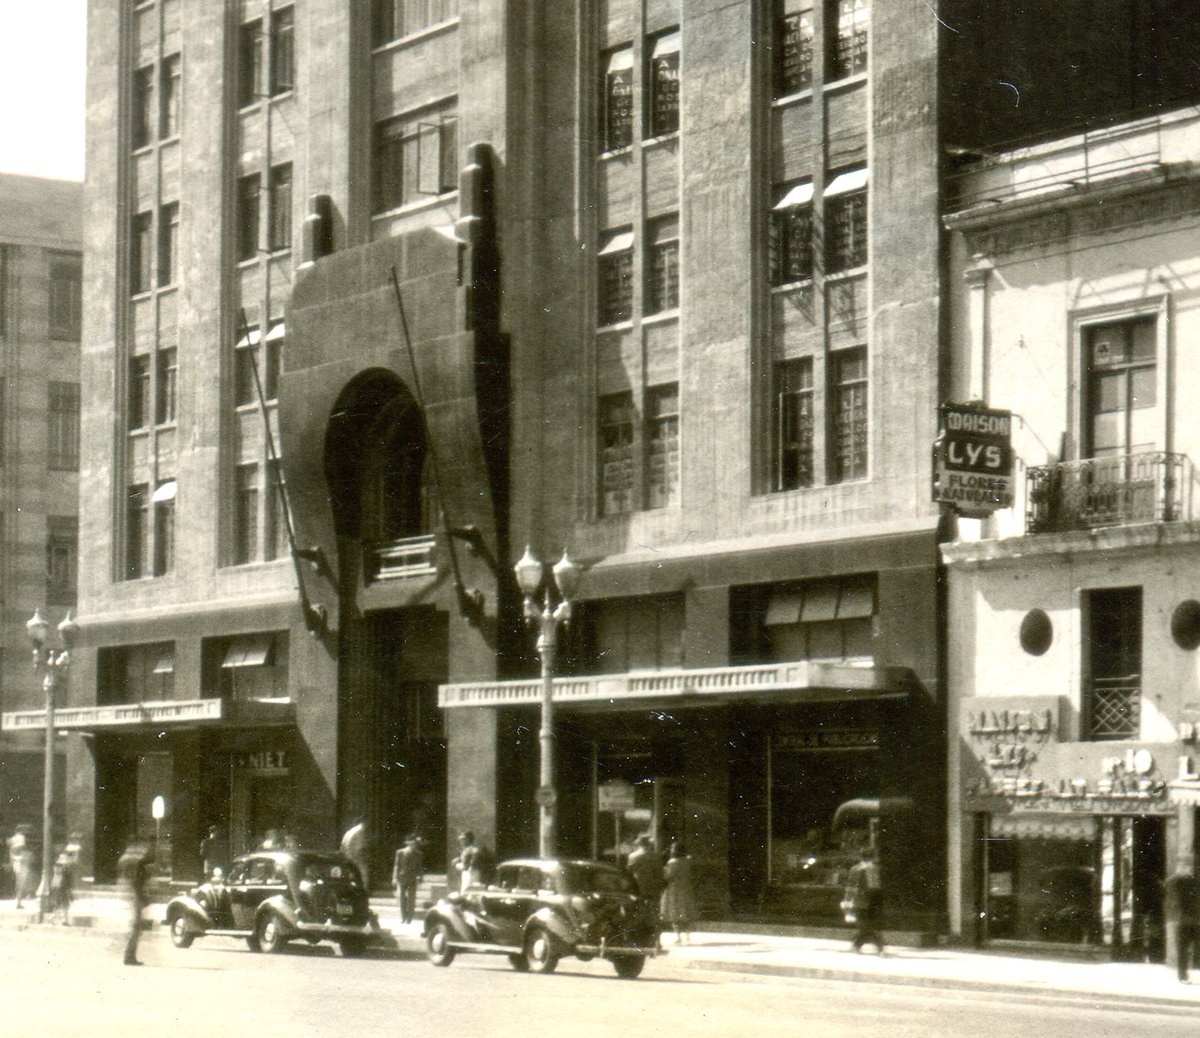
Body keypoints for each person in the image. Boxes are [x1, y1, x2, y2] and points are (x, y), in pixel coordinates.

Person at [118, 839, 155, 966]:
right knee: (136, 927)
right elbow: (137, 884)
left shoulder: (138, 864)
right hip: (137, 898)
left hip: (136, 897)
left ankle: (130, 955)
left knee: (136, 928)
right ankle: (129, 956)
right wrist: (143, 899)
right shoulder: (139, 865)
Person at [844, 848, 884, 954]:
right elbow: (877, 887)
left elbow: (851, 887)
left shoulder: (856, 869)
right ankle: (879, 947)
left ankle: (857, 945)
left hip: (860, 900)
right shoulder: (875, 869)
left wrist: (848, 900)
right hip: (872, 901)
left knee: (866, 925)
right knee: (868, 925)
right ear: (872, 857)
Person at [626, 835, 665, 947]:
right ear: (649, 844)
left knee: (636, 914)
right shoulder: (656, 856)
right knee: (655, 915)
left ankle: (635, 940)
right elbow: (660, 874)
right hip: (653, 889)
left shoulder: (633, 856)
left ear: (639, 844)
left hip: (638, 889)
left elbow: (628, 872)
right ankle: (657, 941)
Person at [1164, 866, 1199, 983]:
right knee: (1184, 948)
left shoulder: (1175, 884)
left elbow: (1168, 882)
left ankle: (1182, 975)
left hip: (1183, 920)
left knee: (1182, 949)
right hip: (1192, 920)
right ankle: (1182, 975)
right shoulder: (1192, 885)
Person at [660, 842, 698, 945]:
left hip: (674, 890)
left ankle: (678, 937)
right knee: (686, 912)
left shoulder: (672, 862)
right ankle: (687, 936)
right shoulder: (688, 861)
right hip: (686, 888)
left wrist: (664, 869)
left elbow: (667, 876)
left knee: (674, 914)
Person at [392, 835, 424, 924]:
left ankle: (409, 918)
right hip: (402, 877)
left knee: (411, 898)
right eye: (412, 843)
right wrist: (394, 877)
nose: (414, 845)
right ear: (408, 843)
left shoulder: (419, 854)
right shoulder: (400, 852)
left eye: (415, 843)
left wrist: (420, 877)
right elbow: (396, 866)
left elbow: (420, 867)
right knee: (401, 898)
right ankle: (403, 917)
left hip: (412, 878)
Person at [8, 824, 34, 909]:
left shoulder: (12, 839)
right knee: (22, 882)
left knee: (18, 882)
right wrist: (27, 854)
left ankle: (19, 901)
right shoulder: (20, 838)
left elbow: (11, 851)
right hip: (21, 861)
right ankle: (19, 901)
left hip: (16, 861)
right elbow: (19, 848)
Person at [341, 818, 369, 890]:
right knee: (363, 873)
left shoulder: (349, 832)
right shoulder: (360, 831)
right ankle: (363, 890)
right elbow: (360, 846)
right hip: (356, 856)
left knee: (351, 874)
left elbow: (343, 845)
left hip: (348, 856)